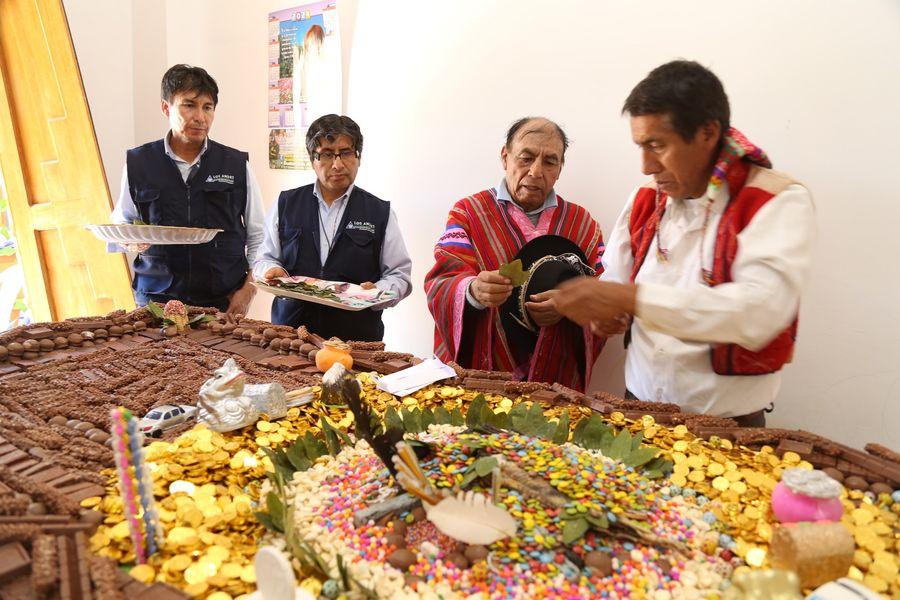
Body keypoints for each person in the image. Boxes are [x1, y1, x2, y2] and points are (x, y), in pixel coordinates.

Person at [554, 60, 816, 425]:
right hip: (637, 410)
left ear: (708, 133)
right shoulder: (645, 198)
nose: (646, 166)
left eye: (657, 145)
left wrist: (630, 299)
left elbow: (758, 313)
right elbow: (616, 278)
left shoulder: (775, 200)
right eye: (640, 146)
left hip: (727, 427)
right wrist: (607, 312)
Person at [425, 117, 605, 391]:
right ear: (505, 157)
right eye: (526, 158)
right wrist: (472, 291)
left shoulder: (582, 225)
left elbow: (605, 295)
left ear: (560, 169)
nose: (535, 171)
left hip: (555, 380)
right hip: (485, 376)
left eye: (550, 161)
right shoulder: (469, 214)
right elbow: (441, 283)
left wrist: (571, 305)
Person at [109, 64, 263, 314]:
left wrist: (249, 289)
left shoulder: (236, 164)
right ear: (166, 107)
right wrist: (130, 240)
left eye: (208, 107)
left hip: (222, 301)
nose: (200, 117)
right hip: (156, 301)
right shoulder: (139, 162)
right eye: (189, 105)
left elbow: (259, 235)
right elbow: (122, 221)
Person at [254, 114, 412, 341]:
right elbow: (264, 259)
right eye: (327, 154)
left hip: (355, 340)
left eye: (345, 153)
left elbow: (399, 275)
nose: (337, 164)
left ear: (358, 157)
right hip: (290, 336)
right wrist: (270, 271)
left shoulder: (379, 212)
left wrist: (378, 292)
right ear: (313, 159)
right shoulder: (286, 203)